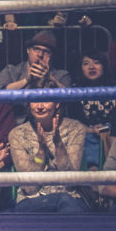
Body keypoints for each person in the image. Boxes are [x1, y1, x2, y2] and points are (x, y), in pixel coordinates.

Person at [8, 82, 88, 213]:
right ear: (28, 104)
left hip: (70, 199)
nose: (40, 106)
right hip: (31, 200)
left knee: (65, 200)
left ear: (57, 103)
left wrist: (59, 145)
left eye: (46, 100)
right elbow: (30, 189)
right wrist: (40, 153)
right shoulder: (17, 134)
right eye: (35, 101)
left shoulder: (75, 128)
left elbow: (70, 182)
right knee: (63, 200)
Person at [67, 48, 116, 169]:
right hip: (87, 132)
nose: (91, 67)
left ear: (104, 66)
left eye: (96, 62)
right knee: (87, 138)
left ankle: (114, 173)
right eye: (86, 63)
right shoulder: (75, 89)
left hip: (112, 131)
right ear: (81, 68)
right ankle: (92, 173)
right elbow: (73, 121)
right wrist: (91, 130)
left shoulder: (115, 88)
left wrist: (105, 129)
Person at [0, 30, 71, 91]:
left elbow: (69, 97)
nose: (40, 55)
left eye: (46, 51)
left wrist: (50, 78)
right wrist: (26, 80)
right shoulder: (11, 71)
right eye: (36, 49)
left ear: (52, 55)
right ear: (28, 50)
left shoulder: (61, 75)